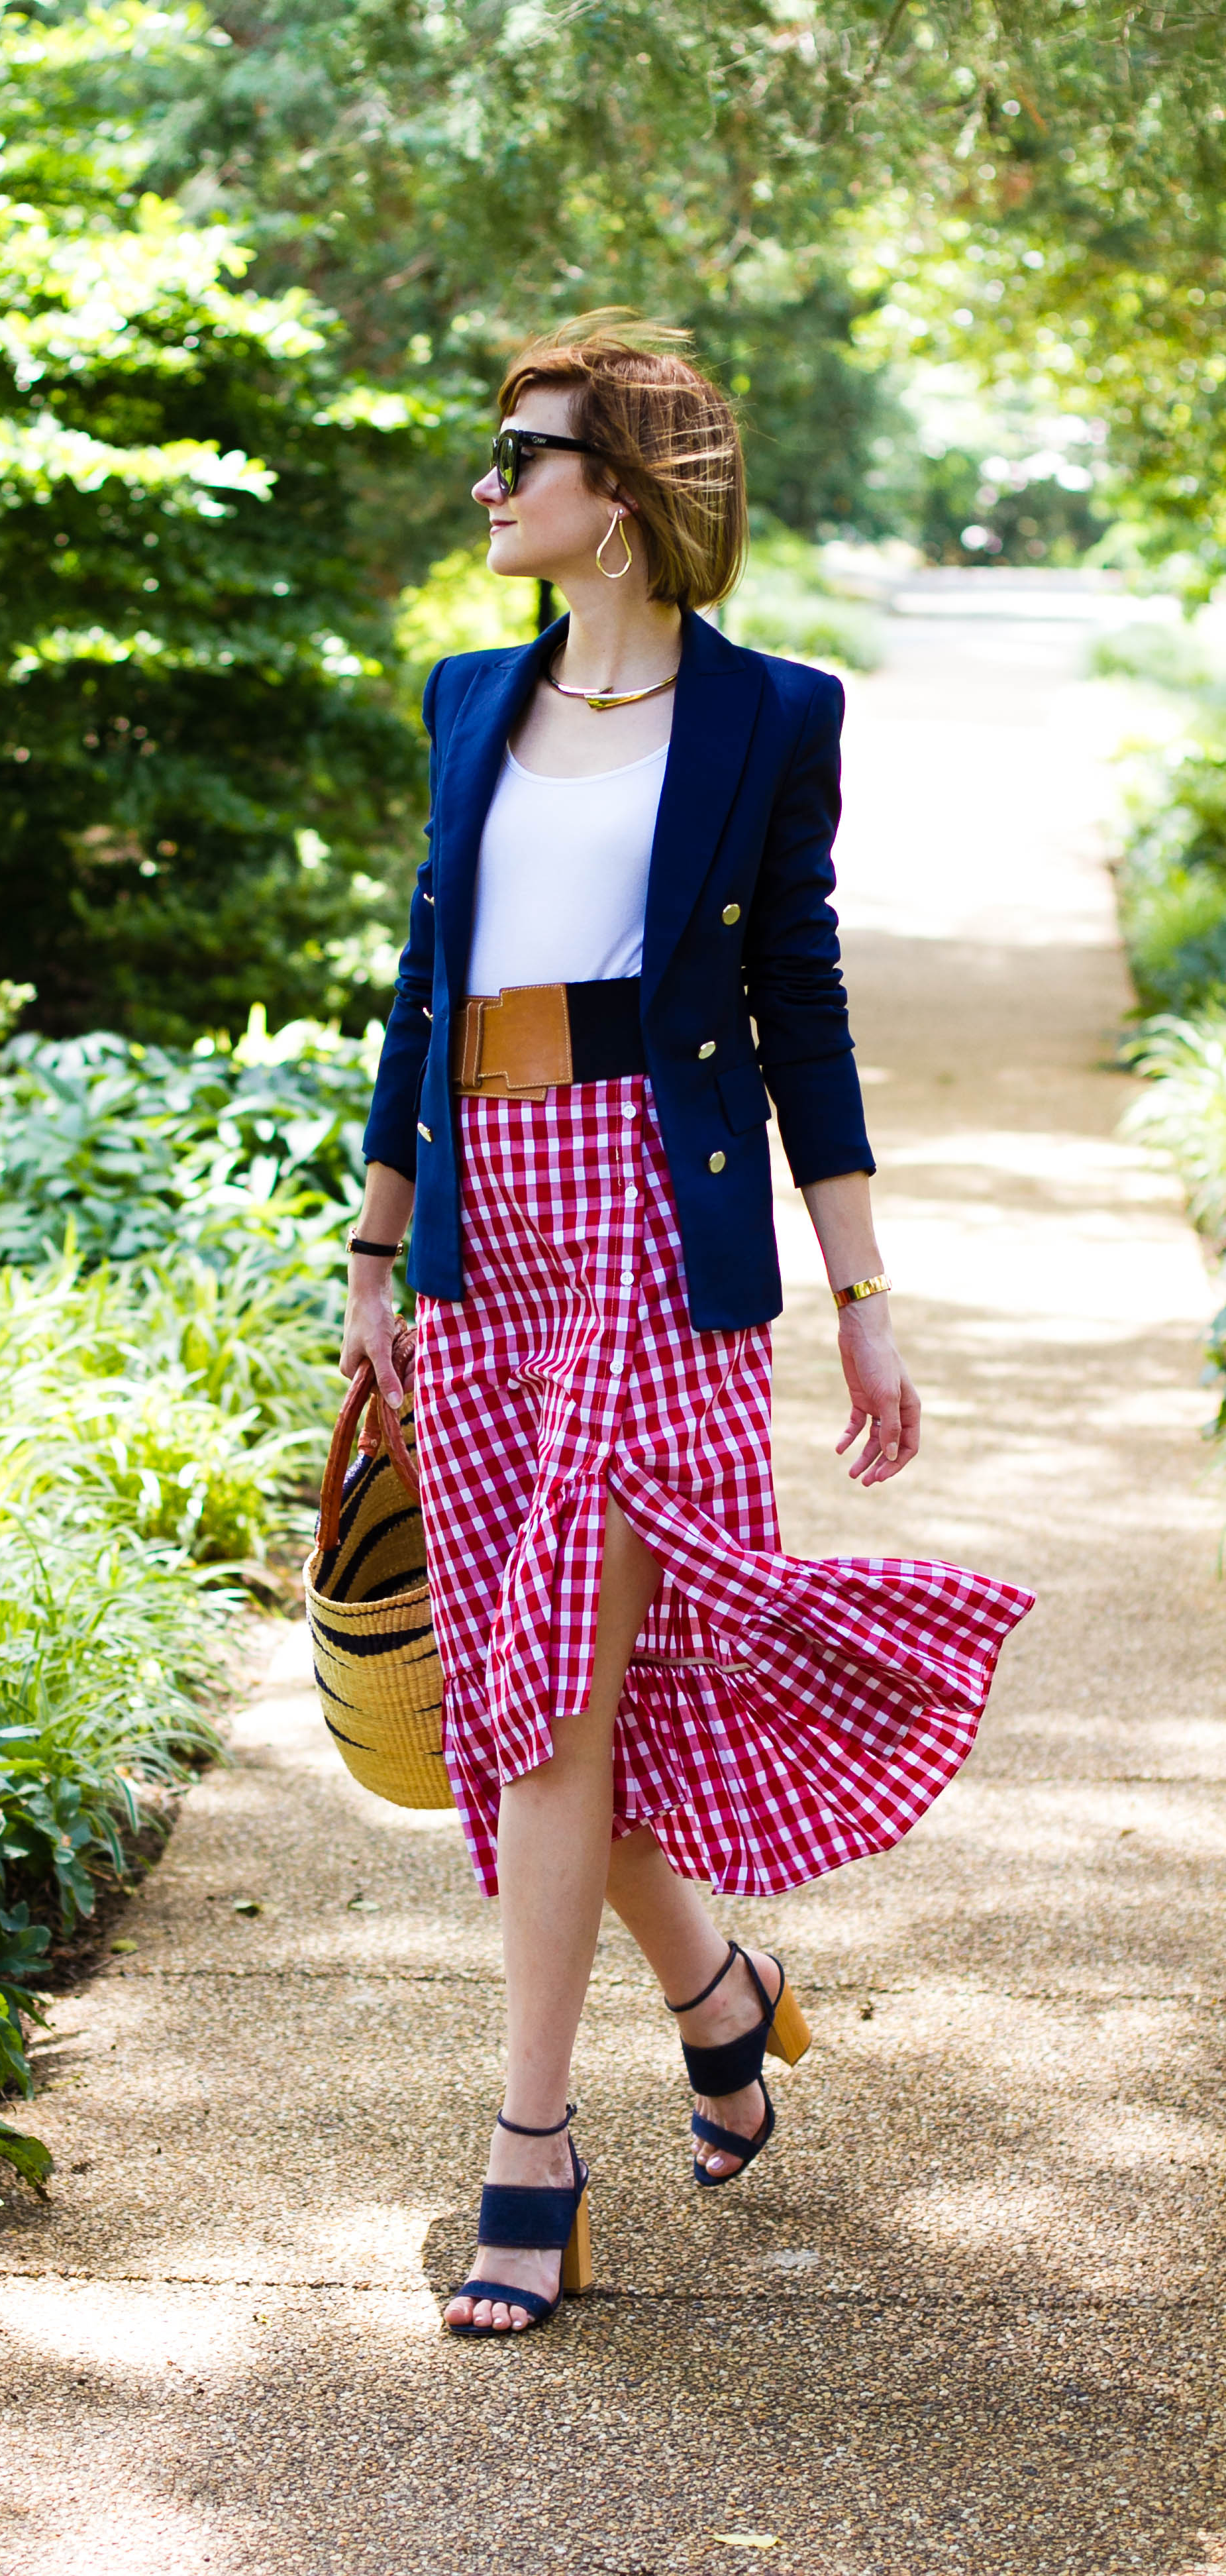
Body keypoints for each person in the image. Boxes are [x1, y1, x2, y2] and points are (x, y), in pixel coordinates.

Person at [339, 313, 1035, 2339]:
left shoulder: (768, 716)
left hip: (656, 1223)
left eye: (523, 454)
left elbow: (802, 1007)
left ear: (618, 503)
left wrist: (866, 1300)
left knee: (553, 1695)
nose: (491, 483)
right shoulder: (473, 700)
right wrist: (375, 1255)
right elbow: (422, 991)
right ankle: (720, 1995)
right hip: (488, 1233)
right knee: (529, 1690)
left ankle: (532, 2153)